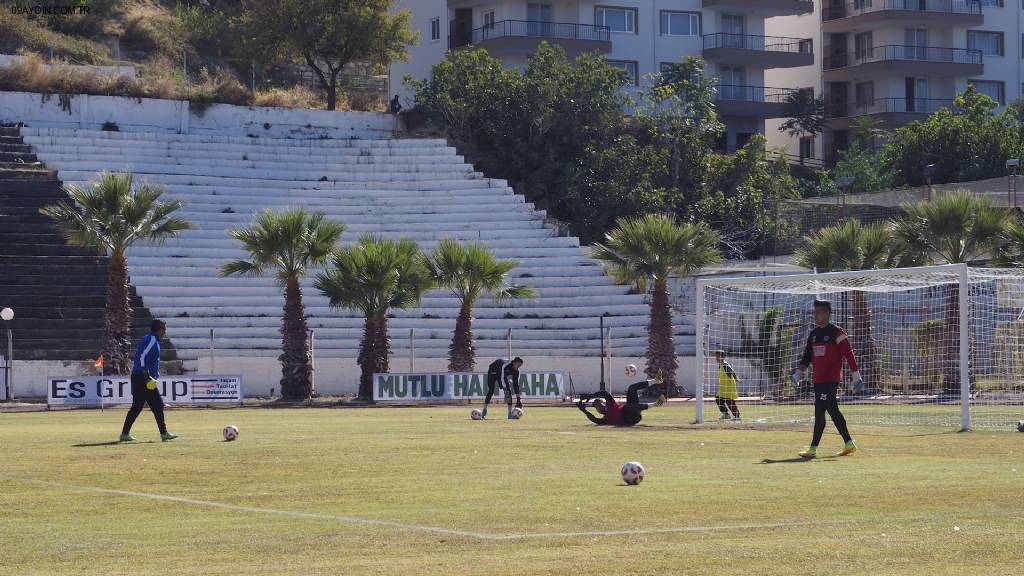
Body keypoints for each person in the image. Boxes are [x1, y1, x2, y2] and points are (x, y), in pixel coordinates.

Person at [792, 299, 860, 458]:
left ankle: (813, 448)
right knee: (833, 410)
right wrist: (797, 374)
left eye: (819, 312)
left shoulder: (837, 332)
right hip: (818, 380)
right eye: (814, 312)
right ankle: (849, 443)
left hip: (831, 379)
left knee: (820, 410)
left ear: (827, 313)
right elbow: (806, 358)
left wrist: (856, 376)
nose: (815, 315)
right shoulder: (814, 334)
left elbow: (849, 354)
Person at [120, 319, 177, 442]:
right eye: (164, 329)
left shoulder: (151, 339)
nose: (165, 332)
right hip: (143, 378)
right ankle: (164, 433)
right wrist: (147, 376)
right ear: (159, 329)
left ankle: (124, 434)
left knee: (136, 407)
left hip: (138, 376)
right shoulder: (152, 340)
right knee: (158, 405)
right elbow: (142, 357)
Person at [577, 380, 665, 427]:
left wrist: (591, 395)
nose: (600, 407)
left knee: (631, 388)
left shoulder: (611, 405)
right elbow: (595, 420)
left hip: (633, 410)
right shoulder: (605, 420)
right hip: (630, 419)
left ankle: (656, 380)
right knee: (627, 407)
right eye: (597, 407)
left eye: (600, 404)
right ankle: (656, 404)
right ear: (598, 411)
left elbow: (605, 393)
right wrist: (584, 411)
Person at [714, 350, 741, 420]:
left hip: (729, 387)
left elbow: (732, 371)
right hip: (723, 387)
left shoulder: (725, 365)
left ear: (723, 357)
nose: (716, 358)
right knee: (718, 399)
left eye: (718, 356)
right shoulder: (721, 365)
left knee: (730, 402)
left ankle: (737, 416)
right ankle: (726, 414)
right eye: (716, 356)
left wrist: (736, 378)